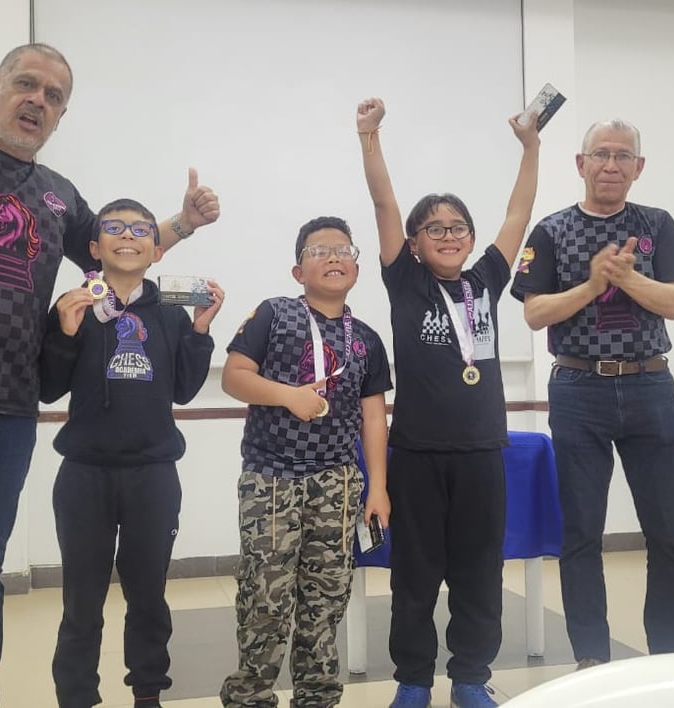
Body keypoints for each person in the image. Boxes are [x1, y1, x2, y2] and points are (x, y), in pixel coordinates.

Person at [0, 43, 219, 708]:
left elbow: (118, 252)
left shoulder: (59, 196)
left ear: (61, 115)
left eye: (53, 96)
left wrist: (183, 224)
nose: (37, 101)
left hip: (11, 411)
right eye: (26, 84)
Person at [356, 98, 540, 708]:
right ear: (413, 243)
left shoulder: (485, 281)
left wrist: (531, 146)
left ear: (471, 238)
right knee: (415, 575)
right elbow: (384, 203)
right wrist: (370, 136)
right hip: (417, 455)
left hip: (482, 452)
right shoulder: (406, 282)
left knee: (479, 573)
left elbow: (518, 213)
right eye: (434, 228)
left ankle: (469, 677)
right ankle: (413, 680)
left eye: (458, 226)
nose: (448, 235)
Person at [510, 119, 674, 669]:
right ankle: (591, 661)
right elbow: (535, 312)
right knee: (581, 535)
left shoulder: (657, 224)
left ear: (638, 167)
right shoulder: (551, 230)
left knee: (669, 535)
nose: (611, 165)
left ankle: (668, 661)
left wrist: (626, 278)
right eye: (601, 154)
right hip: (578, 388)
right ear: (581, 164)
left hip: (650, 385)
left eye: (622, 155)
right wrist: (593, 285)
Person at [38, 197, 224, 708]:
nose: (128, 235)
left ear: (155, 250)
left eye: (142, 230)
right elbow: (48, 389)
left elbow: (184, 390)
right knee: (81, 601)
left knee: (148, 596)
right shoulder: (74, 306)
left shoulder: (170, 314)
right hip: (84, 475)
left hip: (153, 475)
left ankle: (147, 694)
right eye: (115, 228)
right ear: (94, 248)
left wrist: (201, 330)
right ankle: (77, 695)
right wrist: (66, 335)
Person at [219, 216, 392, 708]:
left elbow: (374, 418)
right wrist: (288, 396)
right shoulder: (273, 315)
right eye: (319, 251)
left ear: (356, 267)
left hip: (338, 482)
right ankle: (250, 696)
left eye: (343, 250)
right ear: (298, 271)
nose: (334, 257)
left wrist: (377, 488)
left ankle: (317, 696)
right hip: (271, 477)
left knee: (326, 597)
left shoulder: (366, 338)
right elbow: (234, 376)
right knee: (265, 596)